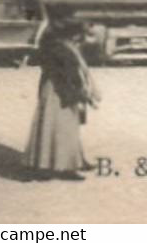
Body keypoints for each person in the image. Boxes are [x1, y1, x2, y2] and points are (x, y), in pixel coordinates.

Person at [25, 20, 98, 180]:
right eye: (80, 37)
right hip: (59, 91)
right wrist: (82, 95)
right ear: (72, 35)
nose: (81, 40)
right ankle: (55, 168)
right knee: (60, 127)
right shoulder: (62, 49)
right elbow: (69, 75)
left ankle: (57, 165)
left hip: (56, 89)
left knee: (58, 127)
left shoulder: (61, 46)